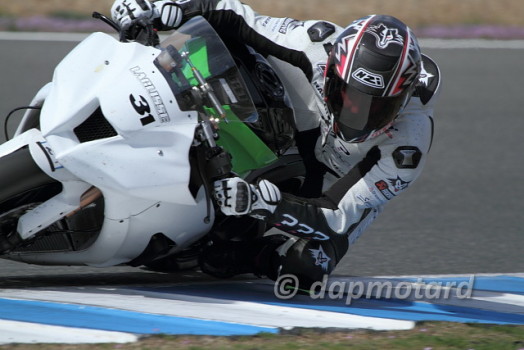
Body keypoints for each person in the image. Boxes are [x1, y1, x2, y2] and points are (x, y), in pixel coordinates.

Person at [111, 0, 441, 290]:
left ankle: (250, 256)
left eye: (377, 107)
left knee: (305, 270)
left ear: (403, 99)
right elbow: (235, 16)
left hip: (335, 177)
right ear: (333, 72)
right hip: (301, 122)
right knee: (226, 47)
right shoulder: (317, 45)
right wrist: (166, 9)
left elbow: (337, 214)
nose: (357, 113)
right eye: (347, 96)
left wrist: (266, 205)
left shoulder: (406, 147)